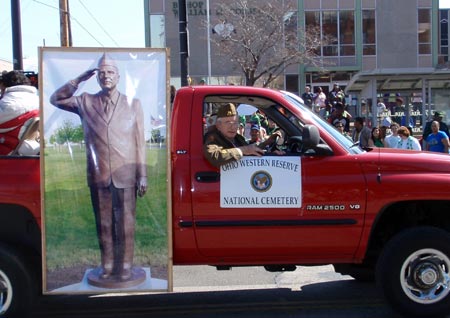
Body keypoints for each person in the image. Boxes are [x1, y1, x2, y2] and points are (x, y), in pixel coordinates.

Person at [50, 53, 147, 283]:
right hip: (99, 173)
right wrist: (78, 80)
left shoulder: (134, 104)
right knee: (103, 223)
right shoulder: (85, 101)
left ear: (118, 76)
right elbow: (57, 99)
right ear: (96, 78)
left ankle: (124, 266)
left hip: (126, 173)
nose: (106, 76)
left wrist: (142, 174)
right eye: (102, 73)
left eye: (110, 72)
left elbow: (139, 141)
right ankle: (107, 265)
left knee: (126, 224)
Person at [203, 103, 281, 167]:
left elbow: (250, 149)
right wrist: (243, 150)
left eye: (235, 123)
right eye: (228, 122)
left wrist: (269, 153)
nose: (233, 126)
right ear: (218, 125)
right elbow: (215, 156)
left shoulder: (238, 138)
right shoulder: (213, 138)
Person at [0, 70, 40, 155]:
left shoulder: (8, 103)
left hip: (9, 149)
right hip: (25, 146)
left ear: (4, 86)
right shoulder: (37, 100)